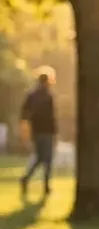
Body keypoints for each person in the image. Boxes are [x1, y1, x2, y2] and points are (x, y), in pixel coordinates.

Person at [19, 67, 57, 200]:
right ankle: (45, 185)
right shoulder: (48, 95)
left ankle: (27, 179)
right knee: (47, 158)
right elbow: (51, 116)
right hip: (46, 131)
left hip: (37, 130)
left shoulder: (31, 95)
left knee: (40, 157)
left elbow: (24, 113)